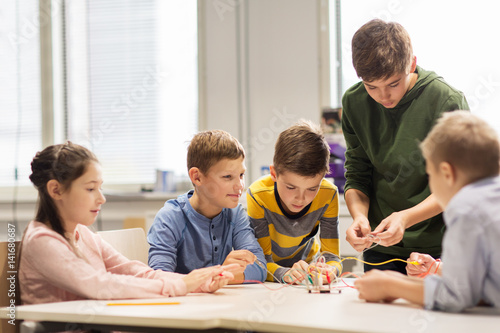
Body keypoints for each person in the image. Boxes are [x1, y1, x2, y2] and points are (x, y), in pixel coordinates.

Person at [19, 142, 234, 305]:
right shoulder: (41, 241)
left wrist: (198, 284)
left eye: (100, 188)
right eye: (90, 188)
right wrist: (182, 285)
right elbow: (100, 285)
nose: (101, 198)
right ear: (56, 190)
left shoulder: (82, 234)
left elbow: (138, 272)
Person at [342, 19, 469, 273]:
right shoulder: (354, 103)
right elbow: (357, 175)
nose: (383, 96)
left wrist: (406, 218)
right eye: (371, 87)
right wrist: (359, 216)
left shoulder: (446, 101)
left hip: (437, 250)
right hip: (379, 249)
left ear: (411, 63)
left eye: (393, 84)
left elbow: (458, 185)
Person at [355, 111, 500, 312]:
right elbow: (486, 284)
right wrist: (439, 269)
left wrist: (391, 285)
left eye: (430, 175)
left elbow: (456, 297)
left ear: (447, 174)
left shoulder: (466, 207)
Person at [148, 130, 266, 283]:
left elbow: (260, 267)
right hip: (182, 305)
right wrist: (217, 274)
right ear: (197, 177)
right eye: (228, 177)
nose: (240, 186)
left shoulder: (235, 213)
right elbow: (160, 279)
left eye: (241, 175)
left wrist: (221, 276)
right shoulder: (170, 217)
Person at [247, 120, 342, 283]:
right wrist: (284, 273)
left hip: (308, 271)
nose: (301, 198)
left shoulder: (328, 194)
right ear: (274, 173)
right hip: (272, 273)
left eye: (312, 189)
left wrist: (330, 270)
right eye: (291, 187)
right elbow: (261, 262)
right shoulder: (258, 195)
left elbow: (332, 257)